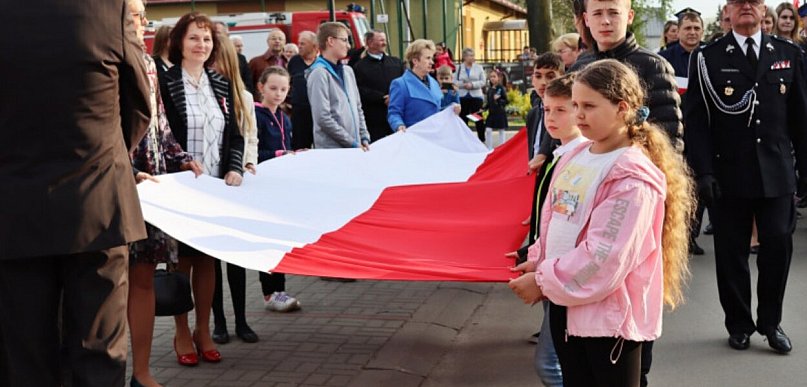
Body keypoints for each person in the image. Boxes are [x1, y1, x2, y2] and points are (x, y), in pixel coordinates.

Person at [510, 59, 694, 387]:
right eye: (576, 105)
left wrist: (542, 281)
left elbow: (605, 256)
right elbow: (558, 220)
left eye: (589, 106)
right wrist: (538, 258)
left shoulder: (631, 177)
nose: (578, 115)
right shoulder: (575, 156)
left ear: (622, 108)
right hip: (567, 306)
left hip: (608, 320)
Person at [0, 0, 150, 385]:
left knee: (24, 358)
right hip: (97, 206)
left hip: (14, 209)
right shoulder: (111, 9)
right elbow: (138, 107)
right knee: (99, 356)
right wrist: (104, 160)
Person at [685, 0, 807, 354]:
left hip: (776, 172)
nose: (746, 8)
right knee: (731, 253)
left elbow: (801, 118)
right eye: (739, 2)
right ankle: (738, 324)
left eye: (753, 1)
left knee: (777, 246)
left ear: (763, 8)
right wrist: (703, 172)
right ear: (728, 9)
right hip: (728, 172)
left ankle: (771, 322)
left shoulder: (788, 53)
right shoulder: (707, 57)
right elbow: (697, 121)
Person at [159, 12, 245, 366]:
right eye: (194, 37)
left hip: (214, 188)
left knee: (208, 260)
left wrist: (234, 168)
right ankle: (181, 331)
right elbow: (160, 135)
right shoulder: (165, 83)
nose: (202, 44)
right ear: (179, 42)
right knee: (181, 263)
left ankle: (203, 330)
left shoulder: (220, 83)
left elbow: (235, 134)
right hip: (180, 188)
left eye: (207, 38)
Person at [128, 1, 202, 386]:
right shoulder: (97, 60)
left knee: (144, 278)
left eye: (143, 15)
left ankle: (141, 373)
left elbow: (160, 127)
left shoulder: (147, 63)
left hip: (151, 189)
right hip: (111, 187)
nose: (143, 22)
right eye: (134, 14)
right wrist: (125, 171)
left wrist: (182, 158)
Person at [509, 73, 585, 387]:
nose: (550, 118)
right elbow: (552, 216)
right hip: (554, 268)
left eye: (560, 110)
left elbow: (568, 226)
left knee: (550, 365)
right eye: (547, 109)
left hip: (566, 274)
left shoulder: (578, 159)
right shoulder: (560, 155)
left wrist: (543, 270)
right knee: (562, 362)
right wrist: (534, 255)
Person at [210, 35, 260, 346]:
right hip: (209, 182)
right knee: (212, 260)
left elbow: (250, 136)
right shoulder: (201, 92)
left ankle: (241, 320)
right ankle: (218, 321)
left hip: (236, 180)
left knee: (237, 259)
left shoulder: (242, 95)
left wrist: (248, 163)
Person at [252, 66, 304, 312]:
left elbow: (287, 146)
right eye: (273, 88)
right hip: (261, 187)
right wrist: (279, 154)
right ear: (261, 87)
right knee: (267, 240)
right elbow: (253, 153)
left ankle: (280, 290)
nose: (278, 94)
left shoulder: (284, 117)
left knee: (280, 239)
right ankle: (269, 293)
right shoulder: (255, 116)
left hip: (280, 188)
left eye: (283, 89)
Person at [307, 22, 369, 151]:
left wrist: (364, 136)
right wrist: (351, 142)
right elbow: (323, 118)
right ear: (330, 41)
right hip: (333, 150)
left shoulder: (348, 71)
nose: (348, 45)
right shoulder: (319, 73)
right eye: (344, 40)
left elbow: (358, 107)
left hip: (354, 147)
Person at [353, 31, 405, 142]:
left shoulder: (396, 63)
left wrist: (394, 97)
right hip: (373, 119)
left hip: (397, 116)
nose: (384, 43)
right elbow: (358, 90)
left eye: (385, 40)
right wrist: (381, 98)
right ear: (370, 43)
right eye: (381, 40)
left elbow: (404, 83)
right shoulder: (359, 67)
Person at [387, 39, 445, 132]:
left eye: (432, 58)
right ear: (415, 61)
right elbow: (394, 113)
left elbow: (438, 109)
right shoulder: (400, 84)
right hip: (414, 136)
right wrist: (399, 125)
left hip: (435, 135)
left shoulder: (434, 82)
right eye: (428, 58)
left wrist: (452, 109)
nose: (432, 62)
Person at [526, 53, 564, 173]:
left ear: (562, 78)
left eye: (550, 76)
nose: (543, 82)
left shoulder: (569, 112)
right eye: (538, 76)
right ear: (532, 79)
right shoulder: (533, 114)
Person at [288, 30, 319, 150]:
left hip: (318, 111)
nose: (299, 46)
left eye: (303, 44)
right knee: (299, 146)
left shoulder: (321, 62)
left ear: (314, 46)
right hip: (299, 112)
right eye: (299, 43)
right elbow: (288, 81)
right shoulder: (295, 61)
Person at [659, 11, 705, 78]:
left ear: (702, 32)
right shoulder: (663, 58)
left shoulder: (712, 55)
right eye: (688, 28)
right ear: (678, 31)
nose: (692, 32)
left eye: (697, 28)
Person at [455, 48, 487, 142]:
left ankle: (481, 139)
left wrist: (472, 85)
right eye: (470, 55)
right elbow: (454, 81)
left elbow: (483, 81)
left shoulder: (479, 67)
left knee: (477, 118)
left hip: (476, 97)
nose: (472, 57)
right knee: (463, 118)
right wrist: (463, 85)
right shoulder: (458, 68)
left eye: (473, 55)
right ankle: (465, 140)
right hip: (463, 96)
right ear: (464, 57)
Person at [249, 28, 288, 98]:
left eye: (280, 39)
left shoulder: (289, 62)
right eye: (273, 39)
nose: (277, 41)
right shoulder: (255, 62)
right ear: (267, 42)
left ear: (285, 42)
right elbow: (249, 85)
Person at [483, 69, 509, 148]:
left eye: (494, 76)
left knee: (501, 131)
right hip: (491, 113)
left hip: (500, 113)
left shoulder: (501, 88)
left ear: (498, 78)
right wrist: (484, 108)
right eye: (491, 77)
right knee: (488, 129)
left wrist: (499, 99)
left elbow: (506, 101)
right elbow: (489, 102)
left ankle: (502, 147)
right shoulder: (490, 89)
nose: (492, 78)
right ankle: (489, 148)